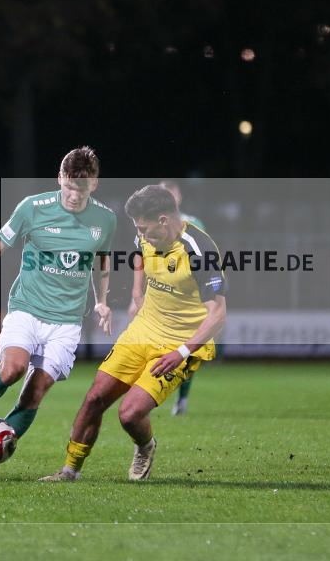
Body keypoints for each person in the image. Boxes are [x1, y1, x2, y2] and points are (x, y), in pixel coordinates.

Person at [0, 146, 117, 480]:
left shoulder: (105, 219)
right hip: (27, 309)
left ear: (95, 185)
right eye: (69, 187)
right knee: (12, 369)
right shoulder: (33, 208)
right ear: (60, 178)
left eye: (81, 190)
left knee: (35, 392)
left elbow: (102, 259)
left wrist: (102, 299)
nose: (73, 195)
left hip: (67, 322)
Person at [40, 184, 227, 482]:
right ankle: (69, 471)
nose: (141, 233)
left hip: (180, 343)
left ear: (164, 220)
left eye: (145, 227)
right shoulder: (146, 232)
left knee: (129, 414)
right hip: (144, 329)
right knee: (94, 398)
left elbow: (218, 313)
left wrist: (181, 352)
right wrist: (136, 294)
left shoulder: (199, 250)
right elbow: (141, 251)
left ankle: (145, 446)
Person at [158, 180, 207, 416]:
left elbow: (204, 257)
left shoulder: (193, 222)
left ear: (178, 197)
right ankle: (149, 395)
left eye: (171, 193)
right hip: (160, 295)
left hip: (188, 296)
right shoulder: (151, 223)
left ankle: (182, 399)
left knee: (188, 351)